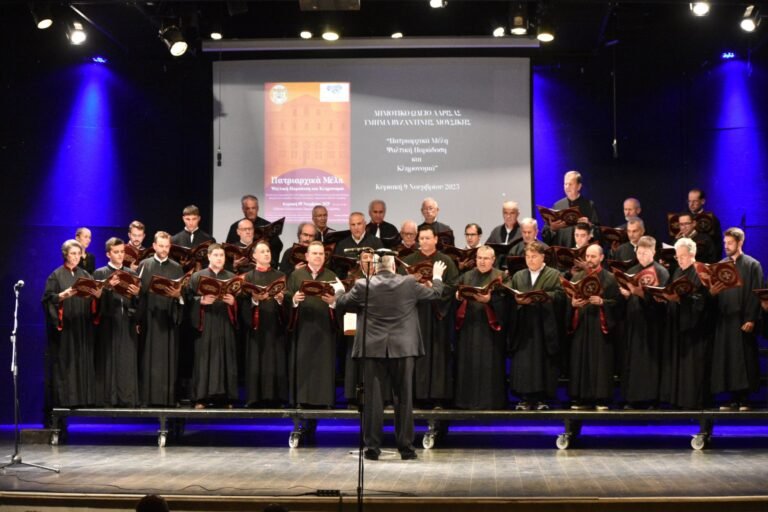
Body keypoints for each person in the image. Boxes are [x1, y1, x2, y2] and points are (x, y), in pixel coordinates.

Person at [336, 253, 447, 460]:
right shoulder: (409, 283)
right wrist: (437, 276)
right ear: (394, 266)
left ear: (376, 268)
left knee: (373, 400)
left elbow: (342, 302)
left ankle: (372, 448)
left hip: (373, 349)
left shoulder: (363, 285)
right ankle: (406, 449)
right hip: (403, 348)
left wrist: (339, 289)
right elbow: (435, 294)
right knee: (404, 398)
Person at [708, 227, 763, 411]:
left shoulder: (752, 265)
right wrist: (712, 292)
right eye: (725, 243)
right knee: (728, 359)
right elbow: (716, 291)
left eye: (730, 243)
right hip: (725, 319)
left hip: (743, 319)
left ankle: (745, 399)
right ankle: (732, 398)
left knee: (744, 359)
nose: (726, 246)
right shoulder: (720, 265)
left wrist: (751, 318)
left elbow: (756, 293)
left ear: (740, 242)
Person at [402, 225, 458, 407]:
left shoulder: (446, 261)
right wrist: (416, 285)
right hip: (416, 315)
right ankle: (415, 396)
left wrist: (434, 287)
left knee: (438, 354)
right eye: (421, 238)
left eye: (428, 238)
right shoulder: (409, 261)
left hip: (437, 316)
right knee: (415, 353)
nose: (424, 241)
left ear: (435, 239)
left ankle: (437, 397)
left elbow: (453, 286)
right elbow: (400, 286)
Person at [42, 239, 100, 407]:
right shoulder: (56, 275)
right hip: (66, 327)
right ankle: (66, 400)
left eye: (78, 254)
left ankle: (84, 399)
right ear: (65, 255)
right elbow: (47, 300)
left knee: (82, 359)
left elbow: (94, 303)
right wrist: (62, 296)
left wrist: (97, 296)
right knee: (66, 362)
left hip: (82, 325)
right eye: (72, 253)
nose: (76, 257)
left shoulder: (86, 275)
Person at [508, 241, 564, 410]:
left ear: (542, 257)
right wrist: (518, 300)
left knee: (542, 361)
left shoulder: (554, 274)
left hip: (544, 325)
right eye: (527, 256)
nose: (530, 260)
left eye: (534, 256)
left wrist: (545, 297)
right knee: (524, 362)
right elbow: (511, 296)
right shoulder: (518, 276)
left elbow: (561, 296)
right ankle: (525, 397)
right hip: (524, 325)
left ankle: (541, 398)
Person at [658, 237, 712, 410]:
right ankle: (678, 400)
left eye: (682, 256)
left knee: (692, 367)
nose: (679, 260)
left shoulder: (700, 271)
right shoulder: (677, 272)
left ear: (692, 254)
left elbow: (703, 299)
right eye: (677, 257)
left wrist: (681, 300)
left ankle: (692, 401)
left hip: (694, 329)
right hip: (678, 324)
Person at [453, 246, 508, 410]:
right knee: (467, 363)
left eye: (486, 258)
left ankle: (490, 402)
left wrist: (490, 300)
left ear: (493, 260)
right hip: (469, 327)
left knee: (490, 365)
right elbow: (454, 291)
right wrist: (457, 296)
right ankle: (465, 402)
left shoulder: (501, 277)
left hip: (490, 330)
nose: (482, 262)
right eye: (479, 258)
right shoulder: (467, 276)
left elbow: (508, 301)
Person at [285, 241, 339, 407]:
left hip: (324, 328)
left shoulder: (332, 276)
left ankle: (324, 400)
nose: (318, 256)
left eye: (321, 254)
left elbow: (341, 301)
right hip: (303, 327)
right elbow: (286, 297)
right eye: (314, 253)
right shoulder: (296, 275)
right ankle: (302, 399)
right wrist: (294, 299)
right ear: (307, 256)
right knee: (303, 362)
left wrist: (333, 302)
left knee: (323, 364)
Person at [567, 244, 621, 410]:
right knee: (580, 360)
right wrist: (572, 304)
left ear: (601, 258)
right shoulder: (577, 277)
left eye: (593, 256)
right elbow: (568, 299)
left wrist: (602, 302)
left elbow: (618, 303)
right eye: (587, 256)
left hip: (600, 325)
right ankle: (580, 398)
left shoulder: (610, 278)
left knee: (600, 362)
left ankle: (601, 399)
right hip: (582, 324)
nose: (589, 260)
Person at [618, 236, 669, 408]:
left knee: (649, 361)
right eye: (639, 253)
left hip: (652, 323)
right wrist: (626, 294)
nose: (641, 256)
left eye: (645, 253)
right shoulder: (632, 270)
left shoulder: (661, 272)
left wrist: (641, 294)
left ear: (653, 252)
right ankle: (632, 399)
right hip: (634, 322)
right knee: (633, 361)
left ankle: (651, 399)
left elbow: (662, 300)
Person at [186, 244, 239, 408]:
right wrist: (200, 301)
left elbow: (241, 302)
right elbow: (188, 299)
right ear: (209, 256)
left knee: (225, 358)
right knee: (203, 359)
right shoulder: (197, 277)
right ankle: (200, 398)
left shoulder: (232, 277)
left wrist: (233, 302)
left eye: (222, 255)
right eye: (216, 255)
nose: (219, 258)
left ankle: (225, 398)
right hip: (205, 323)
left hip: (224, 322)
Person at [137, 231, 185, 406]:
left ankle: (168, 398)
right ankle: (147, 398)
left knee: (168, 359)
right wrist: (138, 318)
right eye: (161, 246)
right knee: (147, 358)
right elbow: (139, 294)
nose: (164, 249)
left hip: (168, 319)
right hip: (149, 318)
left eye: (167, 246)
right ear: (154, 246)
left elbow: (181, 295)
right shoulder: (144, 265)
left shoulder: (176, 267)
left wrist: (178, 296)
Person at [92, 237, 141, 407]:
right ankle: (108, 398)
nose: (120, 255)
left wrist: (136, 294)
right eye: (116, 252)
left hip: (127, 320)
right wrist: (107, 287)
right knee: (108, 358)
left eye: (122, 252)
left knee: (126, 359)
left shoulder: (132, 274)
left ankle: (127, 398)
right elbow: (94, 301)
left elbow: (138, 302)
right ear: (108, 254)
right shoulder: (100, 273)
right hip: (108, 321)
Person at [241, 240, 288, 407]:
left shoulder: (280, 276)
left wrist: (281, 300)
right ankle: (255, 397)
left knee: (275, 359)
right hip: (256, 325)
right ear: (254, 256)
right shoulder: (248, 277)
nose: (266, 254)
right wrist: (254, 300)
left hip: (275, 325)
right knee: (256, 359)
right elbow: (242, 303)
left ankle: (277, 397)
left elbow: (287, 303)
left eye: (268, 251)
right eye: (262, 252)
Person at [542, 170, 600, 248]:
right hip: (562, 250)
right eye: (565, 184)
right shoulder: (557, 205)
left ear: (579, 186)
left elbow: (598, 232)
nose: (567, 187)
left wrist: (589, 225)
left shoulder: (589, 205)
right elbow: (545, 234)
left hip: (582, 251)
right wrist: (552, 229)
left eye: (570, 184)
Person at [226, 195, 283, 267]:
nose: (251, 211)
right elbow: (229, 249)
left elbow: (277, 245)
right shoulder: (235, 226)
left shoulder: (268, 226)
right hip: (242, 266)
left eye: (253, 208)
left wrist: (269, 262)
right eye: (247, 208)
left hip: (263, 266)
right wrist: (234, 263)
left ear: (257, 208)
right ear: (243, 209)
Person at [332, 212, 382, 278]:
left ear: (365, 224)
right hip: (348, 281)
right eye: (353, 224)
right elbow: (337, 269)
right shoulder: (341, 245)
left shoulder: (376, 242)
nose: (356, 227)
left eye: (359, 224)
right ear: (349, 226)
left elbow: (381, 266)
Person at [687, 188, 723, 258]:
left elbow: (718, 243)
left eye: (695, 201)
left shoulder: (711, 219)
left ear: (702, 201)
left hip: (706, 259)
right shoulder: (683, 218)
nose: (691, 204)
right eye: (689, 201)